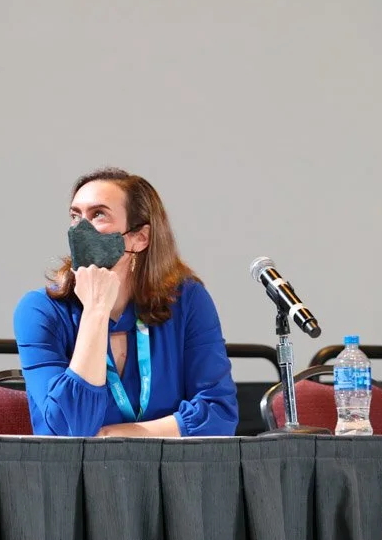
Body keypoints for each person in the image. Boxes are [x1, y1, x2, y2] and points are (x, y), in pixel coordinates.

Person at [13, 167, 239, 437]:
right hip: (72, 476)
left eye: (98, 214)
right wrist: (95, 312)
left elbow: (219, 413)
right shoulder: (39, 310)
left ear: (140, 237)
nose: (81, 229)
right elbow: (72, 430)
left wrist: (113, 435)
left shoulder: (186, 299)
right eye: (75, 216)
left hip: (171, 473)